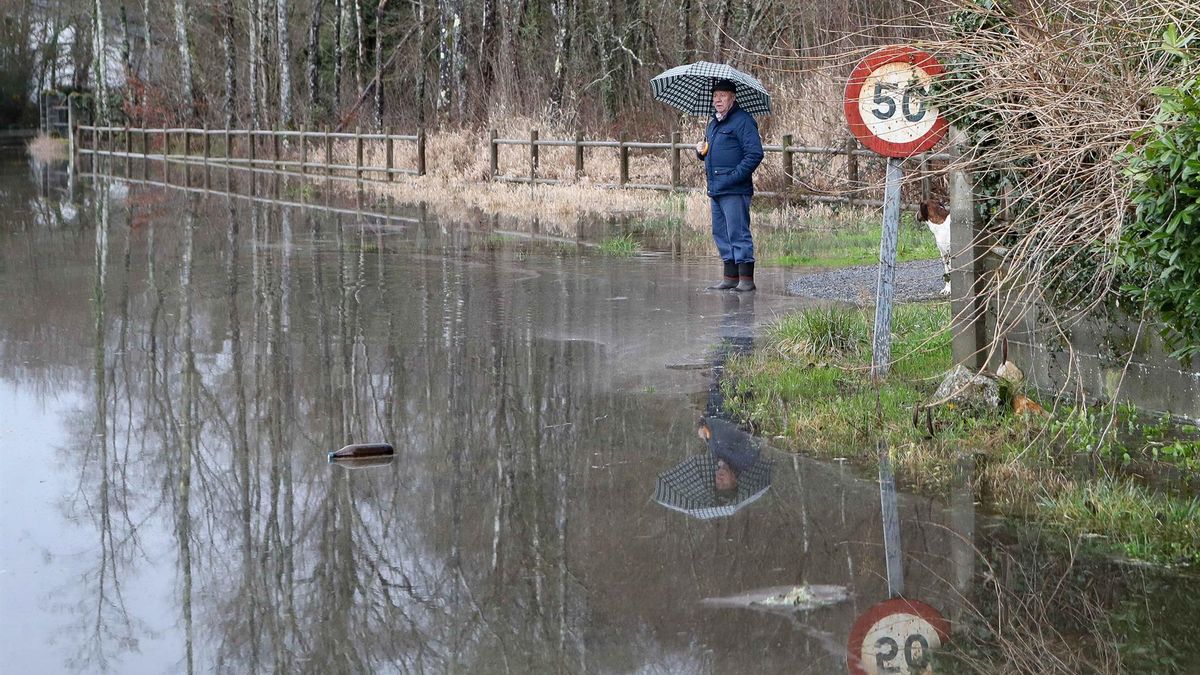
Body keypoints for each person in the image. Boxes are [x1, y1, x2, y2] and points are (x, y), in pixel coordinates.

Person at [695, 78, 765, 292]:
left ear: (732, 98)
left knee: (738, 232)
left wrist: (734, 176)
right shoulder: (713, 123)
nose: (717, 100)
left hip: (735, 188)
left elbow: (755, 154)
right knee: (721, 233)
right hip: (716, 188)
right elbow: (712, 153)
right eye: (715, 96)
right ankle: (730, 277)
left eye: (722, 96)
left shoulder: (743, 121)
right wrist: (701, 152)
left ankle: (746, 280)